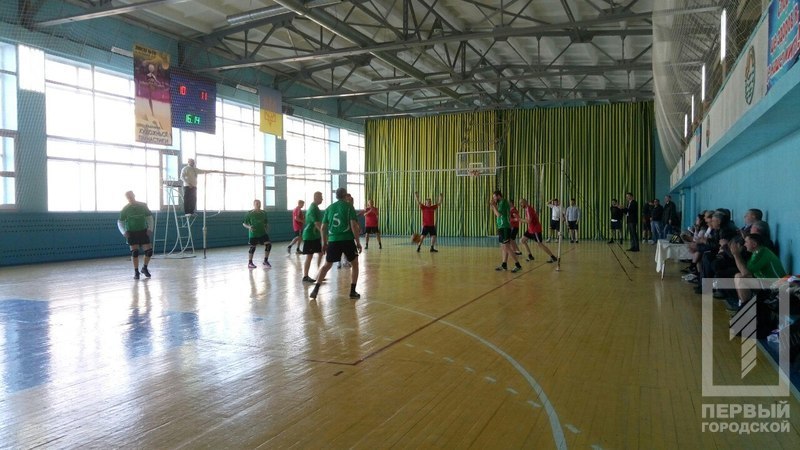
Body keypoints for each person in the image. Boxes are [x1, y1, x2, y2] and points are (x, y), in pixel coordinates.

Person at [310, 188, 362, 300]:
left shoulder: (329, 208)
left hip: (333, 240)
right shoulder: (349, 207)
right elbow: (353, 225)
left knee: (326, 265)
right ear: (345, 195)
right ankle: (352, 291)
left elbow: (323, 228)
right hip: (347, 239)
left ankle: (316, 289)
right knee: (355, 264)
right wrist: (357, 242)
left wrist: (324, 243)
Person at [729, 233, 786, 309]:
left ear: (754, 244)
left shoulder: (762, 253)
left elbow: (745, 273)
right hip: (766, 283)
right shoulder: (756, 253)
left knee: (741, 279)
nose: (744, 245)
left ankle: (745, 308)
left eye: (746, 242)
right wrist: (737, 254)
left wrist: (736, 254)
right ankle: (742, 305)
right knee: (738, 276)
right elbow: (746, 271)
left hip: (776, 286)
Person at [117, 191, 154, 280]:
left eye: (131, 196)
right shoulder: (125, 209)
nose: (130, 198)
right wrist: (124, 232)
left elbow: (149, 217)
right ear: (127, 198)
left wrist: (150, 228)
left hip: (143, 231)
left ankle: (144, 268)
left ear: (134, 195)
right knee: (135, 252)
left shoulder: (143, 206)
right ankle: (136, 271)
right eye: (128, 197)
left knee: (149, 251)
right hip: (132, 232)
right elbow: (120, 222)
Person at [490, 190, 522, 272]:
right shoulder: (501, 203)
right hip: (501, 226)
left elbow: (498, 214)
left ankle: (518, 265)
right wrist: (493, 207)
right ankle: (504, 265)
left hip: (504, 226)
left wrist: (494, 206)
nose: (494, 199)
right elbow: (497, 214)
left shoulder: (503, 202)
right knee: (503, 247)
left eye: (494, 197)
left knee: (507, 247)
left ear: (498, 196)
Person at [519, 198, 558, 263]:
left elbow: (529, 221)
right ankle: (530, 256)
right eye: (520, 203)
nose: (520, 204)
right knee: (522, 240)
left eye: (521, 203)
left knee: (540, 244)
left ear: (525, 202)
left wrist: (520, 219)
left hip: (535, 229)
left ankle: (553, 257)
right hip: (530, 229)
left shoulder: (528, 209)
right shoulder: (527, 209)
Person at [301, 192, 324, 283]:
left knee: (321, 253)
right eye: (320, 197)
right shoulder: (313, 208)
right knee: (309, 256)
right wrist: (323, 234)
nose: (322, 199)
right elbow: (317, 224)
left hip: (315, 236)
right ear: (315, 198)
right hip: (310, 236)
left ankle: (319, 273)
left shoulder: (316, 207)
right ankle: (305, 276)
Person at [242, 199, 271, 269]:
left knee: (268, 245)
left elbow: (266, 222)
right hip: (253, 234)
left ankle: (265, 261)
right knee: (253, 247)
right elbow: (244, 223)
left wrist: (266, 226)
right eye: (257, 203)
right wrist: (249, 227)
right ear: (254, 205)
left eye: (259, 203)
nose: (258, 205)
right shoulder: (250, 213)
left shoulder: (264, 213)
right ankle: (250, 263)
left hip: (262, 233)